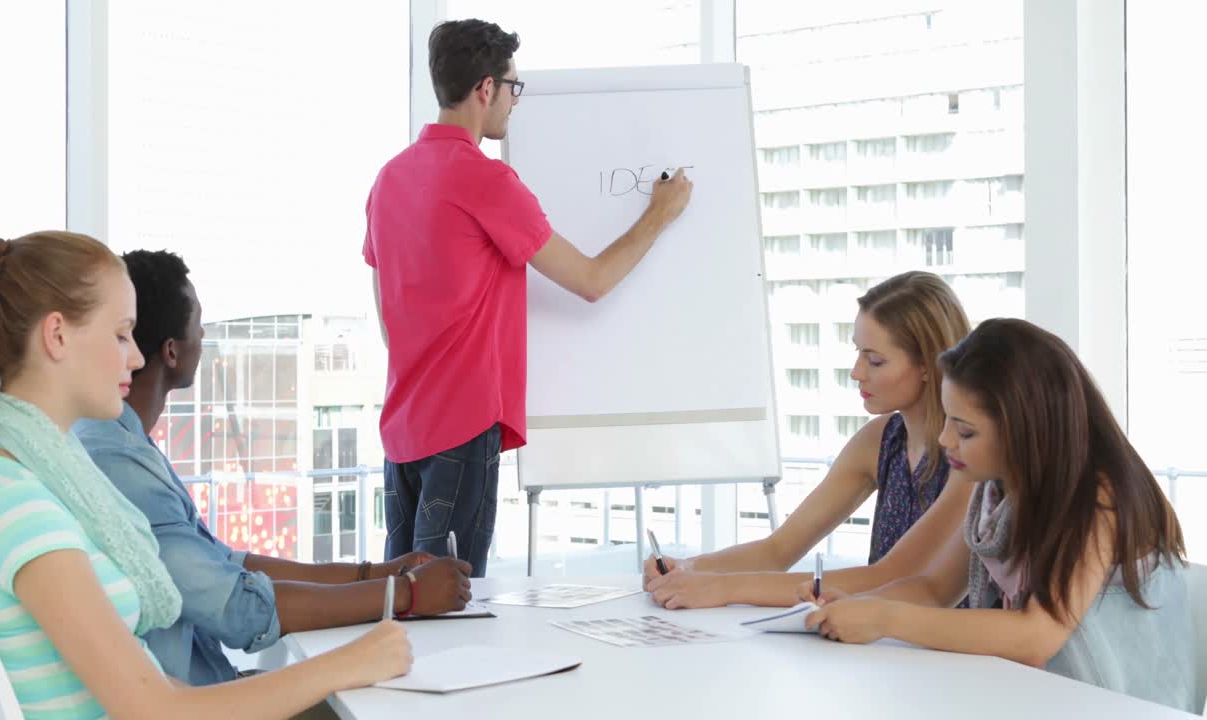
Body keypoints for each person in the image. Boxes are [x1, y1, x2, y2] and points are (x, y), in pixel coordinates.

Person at [0, 232, 410, 719]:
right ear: (57, 336)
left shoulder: (25, 485)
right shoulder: (19, 507)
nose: (136, 357)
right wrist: (348, 664)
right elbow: (157, 711)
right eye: (120, 334)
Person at [366, 18, 693, 576]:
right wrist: (658, 215)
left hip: (402, 431)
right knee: (449, 600)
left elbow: (386, 316)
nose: (516, 101)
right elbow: (591, 281)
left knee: (403, 596)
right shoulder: (487, 181)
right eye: (513, 87)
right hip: (461, 427)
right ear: (486, 89)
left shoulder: (389, 178)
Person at [74, 249, 471, 686]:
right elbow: (239, 609)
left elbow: (228, 564)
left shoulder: (124, 443)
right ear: (170, 350)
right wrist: (407, 594)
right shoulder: (117, 462)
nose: (204, 333)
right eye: (199, 322)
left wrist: (380, 573)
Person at [803, 318, 1197, 713]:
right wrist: (857, 606)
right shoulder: (996, 490)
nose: (945, 440)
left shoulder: (1098, 498)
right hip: (1046, 697)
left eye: (966, 431)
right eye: (947, 422)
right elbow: (935, 589)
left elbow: (1037, 635)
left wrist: (885, 618)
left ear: (1025, 430)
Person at [645, 271, 973, 609]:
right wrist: (686, 570)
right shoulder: (879, 440)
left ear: (927, 365)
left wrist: (725, 588)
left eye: (875, 360)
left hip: (955, 655)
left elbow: (891, 577)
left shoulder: (970, 455)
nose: (856, 372)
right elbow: (778, 550)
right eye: (858, 352)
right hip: (886, 646)